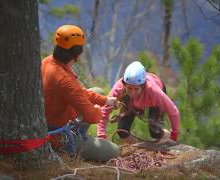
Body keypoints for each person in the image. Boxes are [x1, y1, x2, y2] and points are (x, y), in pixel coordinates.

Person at [41, 25, 118, 161]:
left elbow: (78, 92)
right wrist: (98, 110)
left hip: (49, 120)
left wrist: (106, 100)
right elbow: (92, 117)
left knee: (97, 92)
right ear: (78, 54)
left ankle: (79, 134)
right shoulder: (65, 80)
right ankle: (71, 146)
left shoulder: (48, 61)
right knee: (114, 151)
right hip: (60, 135)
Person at [97, 61, 180, 144]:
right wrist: (101, 135)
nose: (133, 93)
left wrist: (173, 137)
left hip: (152, 99)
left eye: (136, 89)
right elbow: (105, 110)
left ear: (143, 86)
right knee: (122, 131)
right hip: (130, 102)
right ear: (124, 85)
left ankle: (166, 136)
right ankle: (139, 147)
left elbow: (173, 111)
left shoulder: (154, 91)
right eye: (129, 88)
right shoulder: (119, 89)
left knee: (155, 132)